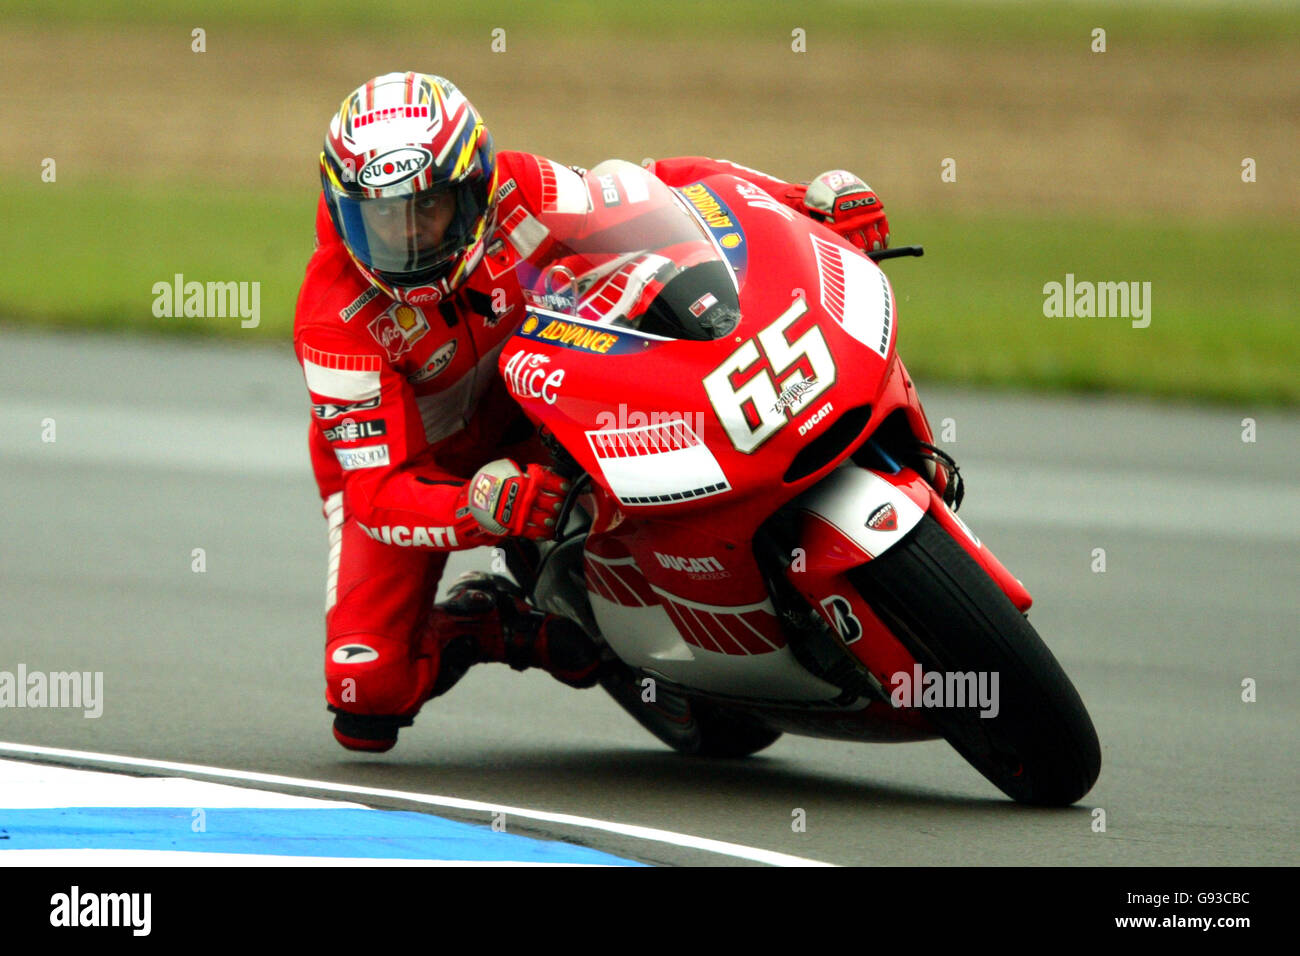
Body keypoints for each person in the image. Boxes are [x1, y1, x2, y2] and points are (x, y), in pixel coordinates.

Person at [294, 72, 891, 752]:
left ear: (474, 187)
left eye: (427, 209)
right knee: (364, 695)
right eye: (382, 219)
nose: (408, 240)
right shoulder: (332, 322)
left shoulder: (519, 189)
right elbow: (374, 493)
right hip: (421, 480)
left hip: (548, 403)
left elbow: (658, 191)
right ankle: (501, 622)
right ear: (344, 213)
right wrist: (476, 508)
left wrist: (802, 203)